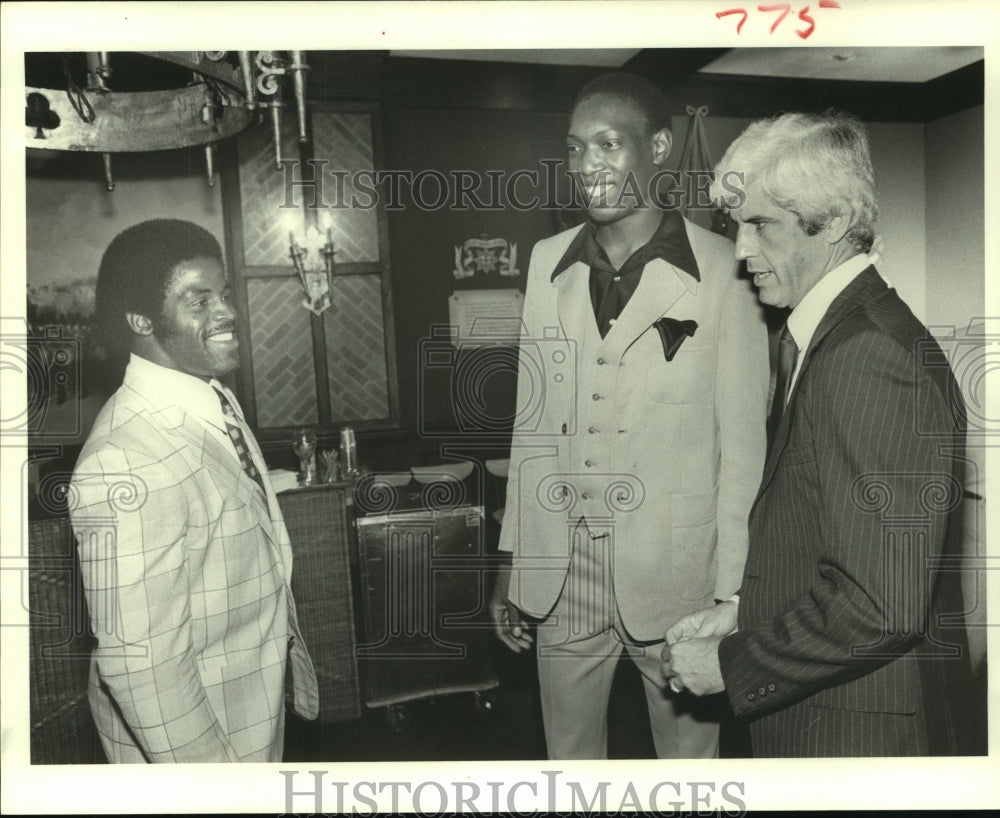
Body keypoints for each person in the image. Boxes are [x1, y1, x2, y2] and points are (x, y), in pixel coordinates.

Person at [661, 111, 978, 756]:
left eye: (760, 224)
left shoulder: (869, 356)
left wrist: (733, 661)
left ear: (832, 221)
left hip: (854, 731)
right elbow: (828, 545)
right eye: (735, 223)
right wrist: (741, 615)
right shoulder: (835, 334)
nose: (741, 250)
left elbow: (879, 604)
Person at [490, 72, 769, 759]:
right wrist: (512, 561)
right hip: (561, 575)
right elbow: (531, 429)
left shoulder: (728, 271)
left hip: (678, 580)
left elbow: (743, 459)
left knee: (687, 780)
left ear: (660, 148)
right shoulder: (547, 261)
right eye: (576, 148)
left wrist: (729, 597)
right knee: (571, 768)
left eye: (609, 145)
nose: (588, 167)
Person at [69, 219, 319, 762]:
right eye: (198, 301)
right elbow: (144, 668)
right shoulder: (123, 461)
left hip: (246, 712)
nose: (228, 313)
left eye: (224, 295)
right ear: (140, 319)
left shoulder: (210, 396)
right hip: (194, 751)